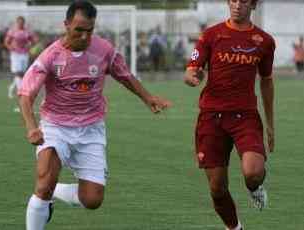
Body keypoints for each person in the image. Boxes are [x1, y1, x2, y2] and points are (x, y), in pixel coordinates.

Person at [18, 1, 171, 230]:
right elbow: (25, 95)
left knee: (92, 199)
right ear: (66, 25)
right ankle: (45, 195)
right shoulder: (50, 56)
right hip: (55, 126)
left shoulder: (104, 50)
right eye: (78, 29)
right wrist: (31, 127)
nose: (84, 35)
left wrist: (148, 98)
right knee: (43, 181)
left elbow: (124, 75)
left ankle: (54, 190)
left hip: (91, 129)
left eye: (89, 30)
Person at [184, 0, 275, 229]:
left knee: (253, 173)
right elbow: (191, 69)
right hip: (211, 118)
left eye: (243, 1)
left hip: (245, 116)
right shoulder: (211, 35)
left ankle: (255, 188)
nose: (237, 5)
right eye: (233, 0)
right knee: (217, 188)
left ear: (253, 5)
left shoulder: (264, 42)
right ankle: (235, 227)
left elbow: (266, 81)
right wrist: (193, 77)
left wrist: (270, 125)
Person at [4, 16, 34, 105]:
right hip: (15, 54)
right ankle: (20, 95)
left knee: (22, 74)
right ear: (17, 23)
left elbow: (33, 40)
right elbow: (6, 42)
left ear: (24, 23)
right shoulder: (12, 31)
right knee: (17, 73)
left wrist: (30, 45)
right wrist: (11, 48)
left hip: (24, 54)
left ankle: (11, 89)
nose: (20, 24)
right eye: (19, 22)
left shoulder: (27, 31)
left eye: (22, 22)